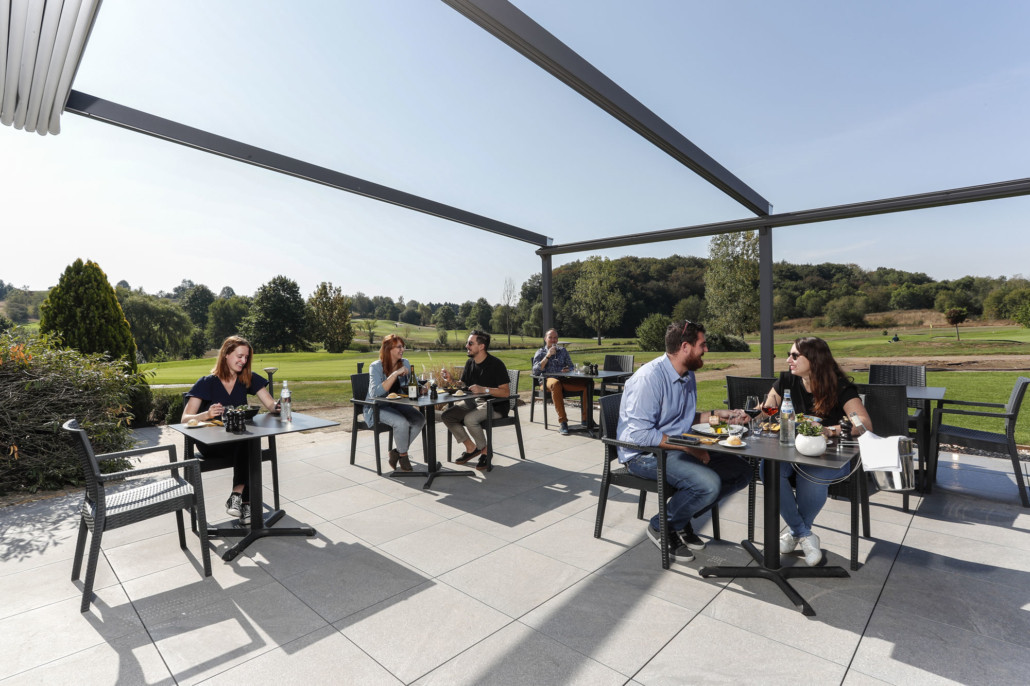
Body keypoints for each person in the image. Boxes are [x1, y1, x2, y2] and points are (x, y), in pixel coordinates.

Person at [617, 320, 752, 564]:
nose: (707, 349)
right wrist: (688, 447)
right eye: (703, 344)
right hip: (643, 455)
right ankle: (662, 526)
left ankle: (680, 518)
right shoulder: (648, 379)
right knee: (708, 483)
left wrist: (717, 416)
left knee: (741, 470)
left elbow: (684, 418)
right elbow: (638, 435)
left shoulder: (686, 375)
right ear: (686, 347)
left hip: (673, 446)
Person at [761, 336, 873, 566]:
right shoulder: (786, 381)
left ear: (814, 359)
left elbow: (863, 424)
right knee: (768, 468)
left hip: (829, 456)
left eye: (794, 356)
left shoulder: (840, 388)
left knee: (810, 476)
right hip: (791, 451)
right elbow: (766, 410)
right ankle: (803, 533)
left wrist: (829, 430)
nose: (788, 360)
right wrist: (751, 413)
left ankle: (795, 533)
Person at [181, 336, 279, 525]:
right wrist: (206, 414)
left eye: (246, 358)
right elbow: (185, 419)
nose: (243, 361)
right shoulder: (207, 382)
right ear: (226, 354)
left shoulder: (247, 378)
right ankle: (246, 503)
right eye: (239, 356)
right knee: (249, 444)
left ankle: (238, 498)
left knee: (248, 441)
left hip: (238, 441)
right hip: (212, 444)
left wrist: (280, 405)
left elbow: (270, 404)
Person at [441, 330, 510, 472]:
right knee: (447, 415)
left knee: (470, 419)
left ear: (481, 346)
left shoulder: (496, 364)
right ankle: (471, 448)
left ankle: (485, 452)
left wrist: (484, 390)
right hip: (474, 401)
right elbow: (464, 386)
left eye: (470, 343)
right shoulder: (470, 363)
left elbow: (506, 392)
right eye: (467, 343)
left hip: (496, 405)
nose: (467, 345)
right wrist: (451, 380)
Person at [366, 334, 427, 472]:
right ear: (388, 349)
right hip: (378, 406)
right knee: (401, 423)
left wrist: (422, 388)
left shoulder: (405, 362)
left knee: (419, 419)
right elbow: (375, 393)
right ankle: (403, 456)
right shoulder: (375, 366)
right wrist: (394, 374)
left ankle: (397, 452)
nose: (402, 350)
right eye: (398, 347)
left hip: (399, 404)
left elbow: (414, 384)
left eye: (402, 346)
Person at [531, 329, 591, 435]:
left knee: (586, 384)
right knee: (556, 384)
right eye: (550, 337)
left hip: (563, 380)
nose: (553, 340)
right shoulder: (540, 352)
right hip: (547, 381)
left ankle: (586, 420)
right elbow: (535, 370)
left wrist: (568, 368)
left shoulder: (563, 351)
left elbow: (571, 366)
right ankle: (563, 422)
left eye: (555, 338)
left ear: (557, 340)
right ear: (545, 339)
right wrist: (548, 356)